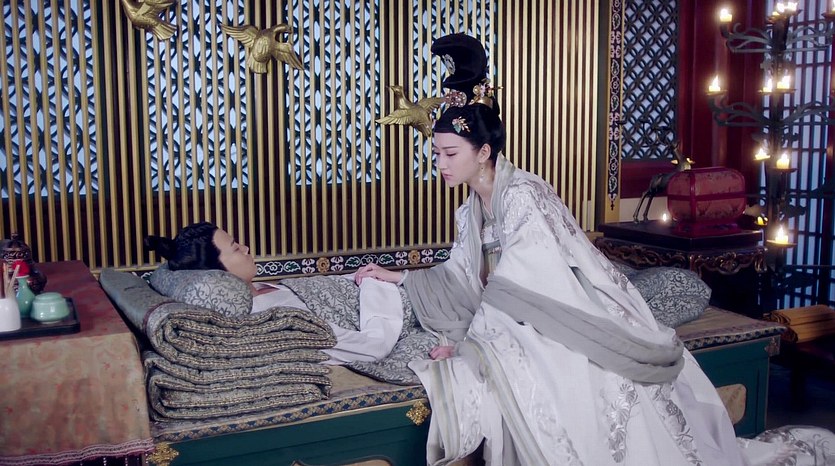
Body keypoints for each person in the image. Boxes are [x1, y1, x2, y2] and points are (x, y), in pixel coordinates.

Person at [355, 33, 834, 465]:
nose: (439, 164)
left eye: (449, 153)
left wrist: (471, 347)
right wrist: (400, 277)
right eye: (436, 153)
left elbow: (524, 280)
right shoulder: (471, 210)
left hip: (557, 308)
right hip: (520, 310)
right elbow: (463, 270)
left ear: (483, 152)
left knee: (546, 378)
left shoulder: (522, 194)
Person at [144, 222, 407, 365]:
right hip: (398, 308)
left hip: (387, 288)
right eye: (235, 248)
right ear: (216, 274)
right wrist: (375, 286)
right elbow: (373, 347)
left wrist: (364, 276)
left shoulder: (261, 290)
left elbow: (324, 292)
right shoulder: (275, 319)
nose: (246, 248)